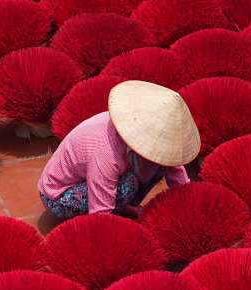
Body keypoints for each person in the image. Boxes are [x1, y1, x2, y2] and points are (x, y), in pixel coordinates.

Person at [38, 80, 200, 219]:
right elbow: (100, 213)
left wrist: (189, 204)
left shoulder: (137, 128)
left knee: (160, 163)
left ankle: (123, 206)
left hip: (96, 177)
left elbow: (173, 167)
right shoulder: (105, 151)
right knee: (128, 185)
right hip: (59, 195)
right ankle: (121, 209)